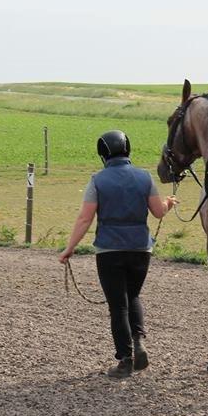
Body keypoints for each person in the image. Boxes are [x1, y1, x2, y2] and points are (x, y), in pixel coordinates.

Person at [59, 130, 178, 378]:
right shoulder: (144, 177)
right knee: (133, 296)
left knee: (118, 306)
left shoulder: (97, 180)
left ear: (103, 154)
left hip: (109, 251)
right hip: (140, 249)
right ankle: (139, 340)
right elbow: (158, 212)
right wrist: (168, 203)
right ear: (128, 150)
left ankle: (125, 359)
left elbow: (84, 218)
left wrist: (69, 248)